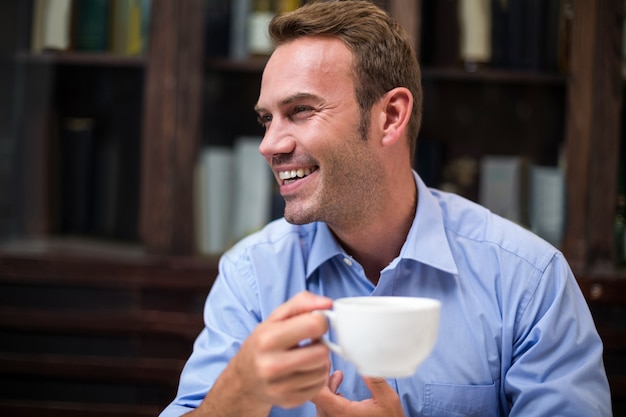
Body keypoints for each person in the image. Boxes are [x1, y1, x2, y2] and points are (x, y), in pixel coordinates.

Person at [160, 1, 611, 416]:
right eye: (267, 118)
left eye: (300, 110)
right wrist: (239, 389)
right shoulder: (251, 276)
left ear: (391, 116)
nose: (268, 145)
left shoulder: (529, 281)